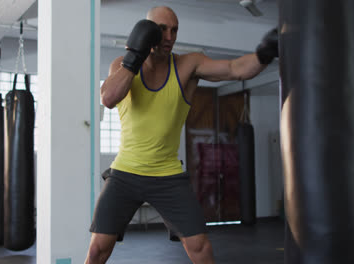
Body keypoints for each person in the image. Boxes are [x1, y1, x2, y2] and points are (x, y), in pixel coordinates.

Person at [85, 6, 278, 264]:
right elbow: (108, 98)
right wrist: (134, 57)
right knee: (98, 248)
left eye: (174, 30)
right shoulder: (120, 65)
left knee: (200, 247)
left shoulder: (188, 65)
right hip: (125, 173)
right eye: (162, 29)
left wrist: (265, 53)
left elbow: (234, 69)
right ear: (147, 30)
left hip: (167, 175)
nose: (169, 36)